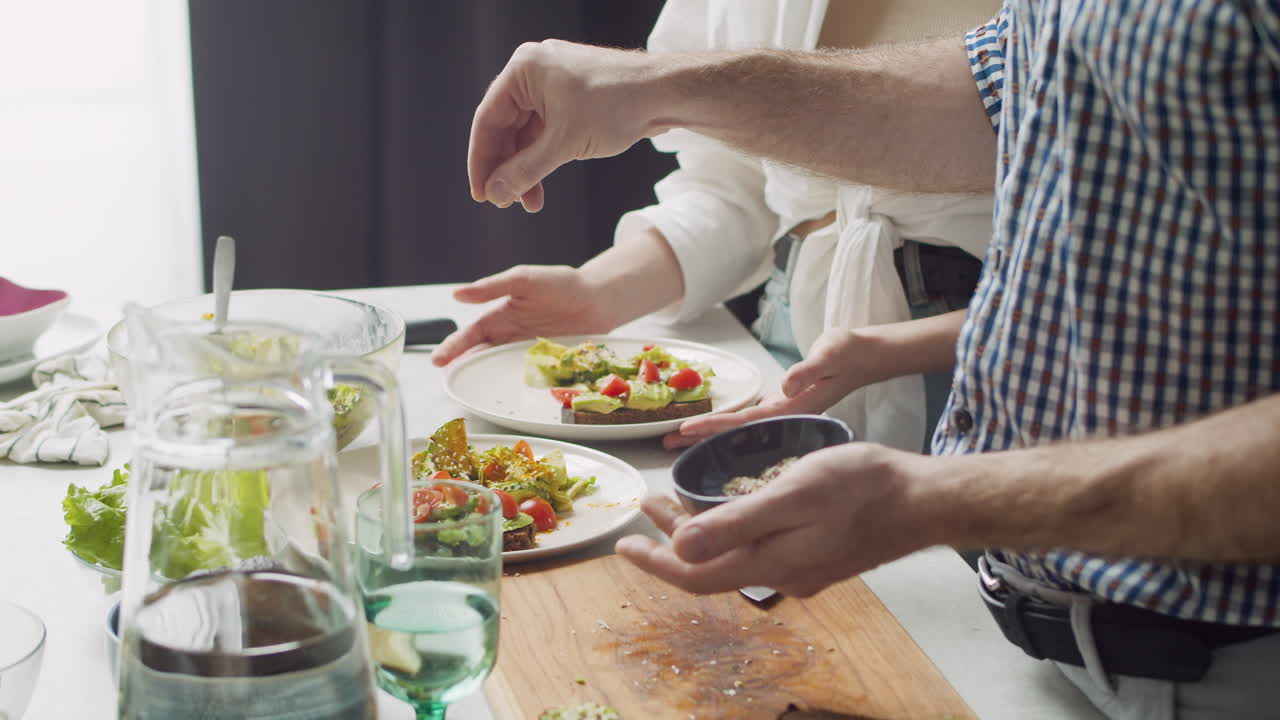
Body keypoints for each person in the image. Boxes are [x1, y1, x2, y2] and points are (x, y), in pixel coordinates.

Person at [463, 2, 1280, 718]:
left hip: (1226, 667)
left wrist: (936, 500)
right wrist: (655, 87)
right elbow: (1002, 93)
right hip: (1049, 637)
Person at [433, 0, 1000, 454]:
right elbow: (737, 180)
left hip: (989, 355)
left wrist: (648, 85)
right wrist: (599, 293)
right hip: (795, 343)